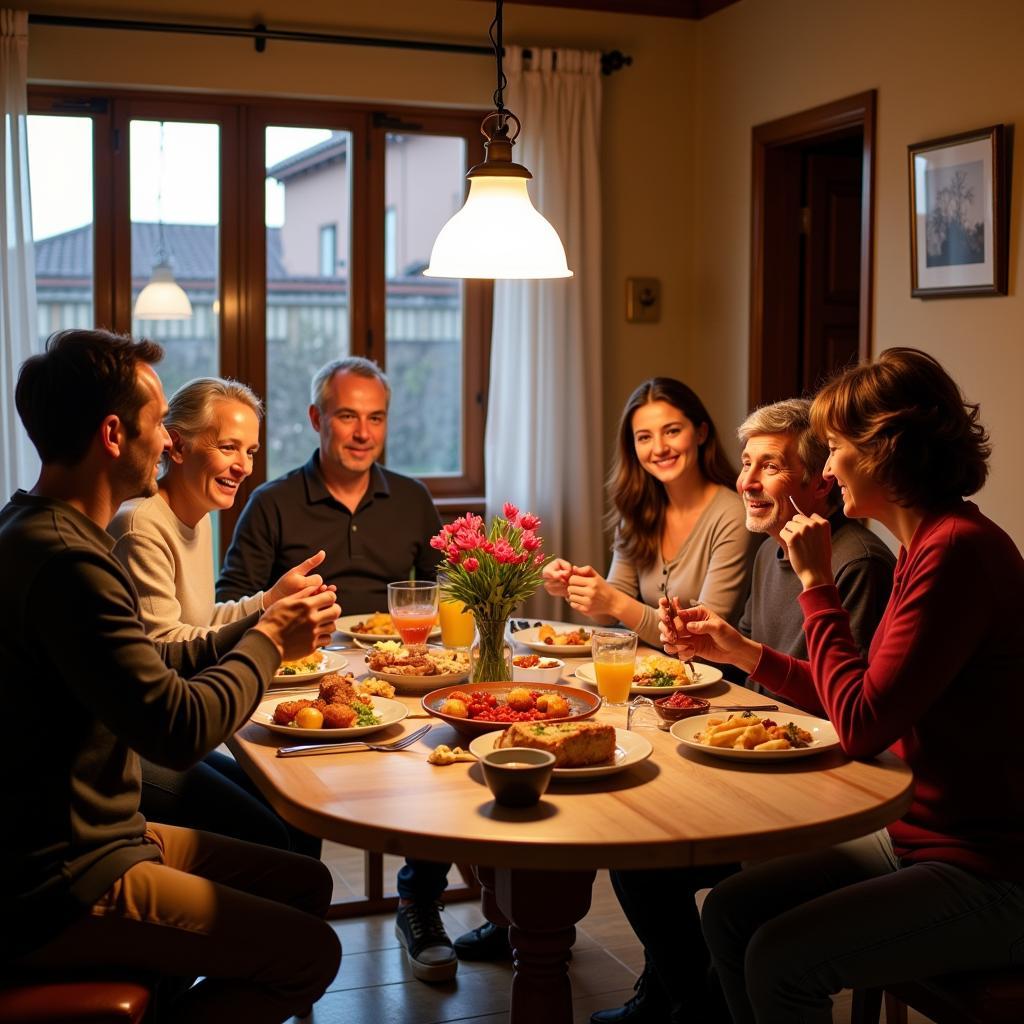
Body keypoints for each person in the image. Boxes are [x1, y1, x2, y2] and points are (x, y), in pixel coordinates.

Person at [662, 349, 1024, 1024]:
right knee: (732, 913)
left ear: (888, 451)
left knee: (778, 959)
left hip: (991, 870)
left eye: (834, 449)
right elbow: (862, 692)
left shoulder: (954, 553)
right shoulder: (929, 545)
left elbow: (860, 727)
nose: (825, 469)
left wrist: (816, 585)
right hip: (922, 836)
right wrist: (741, 649)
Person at [0, 329, 342, 1023]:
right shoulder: (68, 562)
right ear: (113, 434)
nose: (169, 444)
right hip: (62, 876)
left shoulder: (41, 531)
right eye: (160, 425)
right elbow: (178, 729)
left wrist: (257, 626)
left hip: (107, 834)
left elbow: (147, 662)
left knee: (304, 881)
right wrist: (271, 639)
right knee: (312, 953)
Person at [591, 397, 895, 1024]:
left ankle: (691, 1004)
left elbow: (850, 708)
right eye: (748, 463)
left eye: (771, 467)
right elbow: (761, 674)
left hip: (818, 782)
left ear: (821, 481)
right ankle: (685, 997)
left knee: (647, 861)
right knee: (632, 843)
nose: (748, 481)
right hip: (763, 757)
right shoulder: (771, 552)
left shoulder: (855, 562)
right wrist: (712, 647)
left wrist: (737, 671)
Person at [217, 356, 462, 981]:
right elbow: (231, 598)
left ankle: (420, 902)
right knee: (300, 777)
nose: (362, 432)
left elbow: (447, 592)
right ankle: (300, 916)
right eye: (347, 416)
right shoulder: (271, 502)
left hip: (396, 672)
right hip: (302, 674)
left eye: (374, 418)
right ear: (315, 419)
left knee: (442, 750)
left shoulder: (410, 497)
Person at [108, 376, 324, 856]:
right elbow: (169, 647)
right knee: (273, 829)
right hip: (141, 743)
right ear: (177, 446)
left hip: (171, 725)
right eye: (229, 447)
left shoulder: (197, 514)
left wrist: (269, 600)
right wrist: (269, 625)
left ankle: (289, 924)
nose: (243, 466)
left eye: (250, 451)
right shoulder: (140, 525)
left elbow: (200, 620)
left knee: (297, 805)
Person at [542, 377, 758, 646]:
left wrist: (613, 601)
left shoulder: (733, 514)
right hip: (648, 670)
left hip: (716, 680)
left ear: (701, 433)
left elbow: (703, 638)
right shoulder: (637, 510)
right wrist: (577, 586)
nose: (659, 448)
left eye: (672, 431)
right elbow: (610, 612)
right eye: (644, 437)